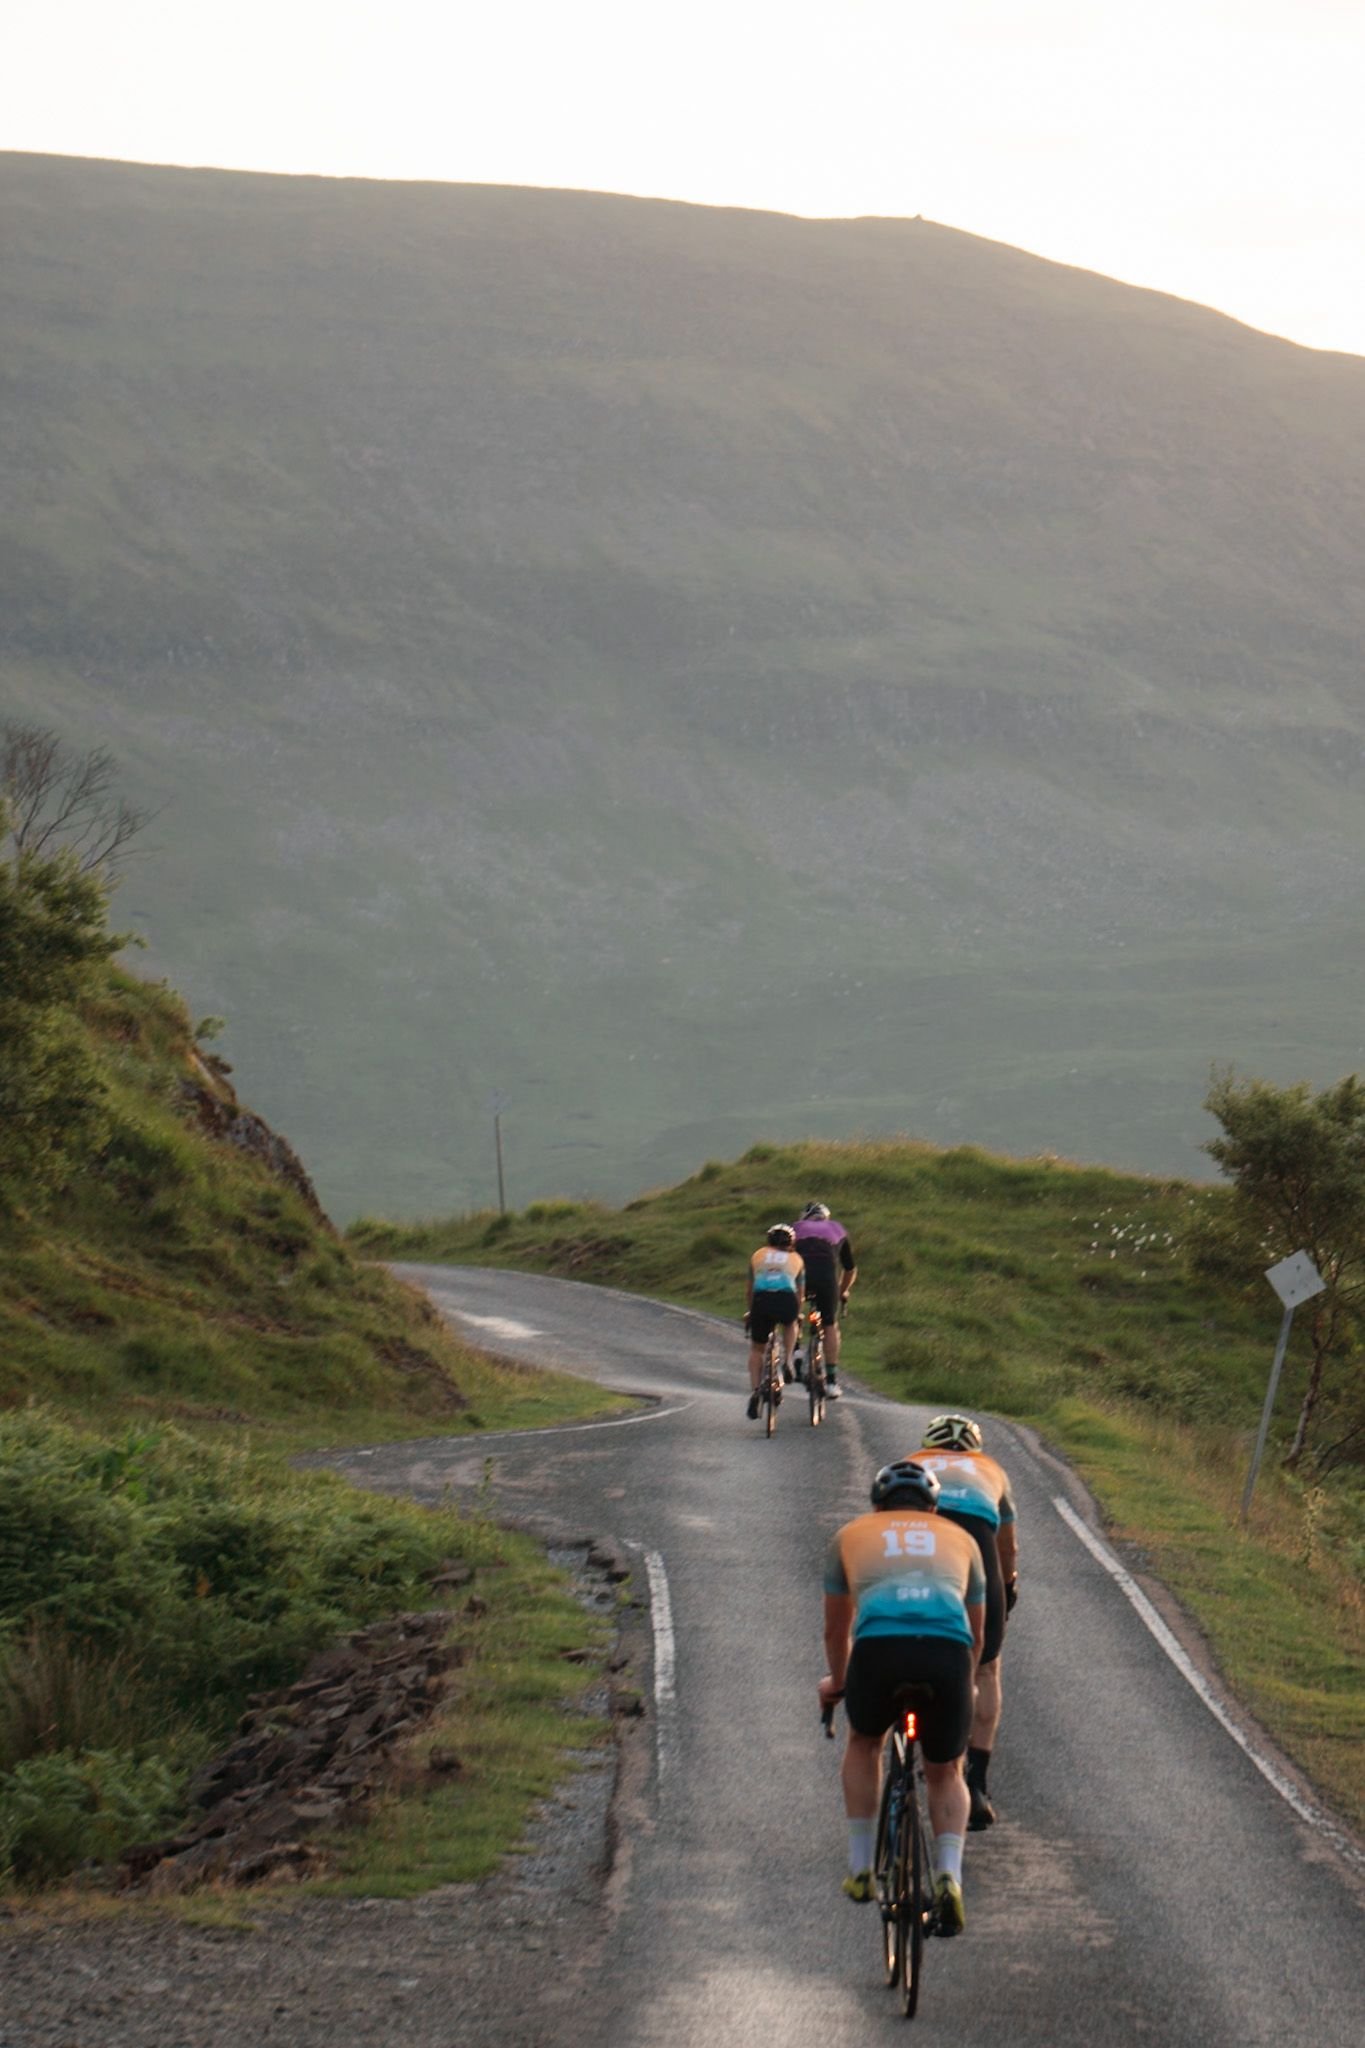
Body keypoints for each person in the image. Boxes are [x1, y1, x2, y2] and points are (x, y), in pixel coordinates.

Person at [818, 1459, 985, 1935]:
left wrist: (839, 1682)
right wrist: (966, 1683)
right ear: (934, 1508)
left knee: (865, 1742)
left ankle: (861, 1868)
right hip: (947, 1655)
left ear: (877, 1505)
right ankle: (949, 1875)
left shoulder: (850, 1535)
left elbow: (835, 1630)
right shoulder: (963, 1540)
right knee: (945, 1770)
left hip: (879, 1651)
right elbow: (976, 1634)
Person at [911, 1414, 1018, 1829]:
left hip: (922, 1543)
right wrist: (1006, 1591)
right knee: (987, 1666)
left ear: (929, 1443)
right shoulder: (992, 1470)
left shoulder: (912, 1461)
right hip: (978, 1547)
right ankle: (975, 1780)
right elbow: (1008, 1549)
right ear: (974, 1448)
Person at [792, 1201, 857, 1399]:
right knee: (829, 1325)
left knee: (792, 1314)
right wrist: (842, 1291)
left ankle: (795, 1351)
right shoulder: (837, 1229)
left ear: (806, 1216)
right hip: (827, 1278)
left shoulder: (795, 1228)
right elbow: (849, 1268)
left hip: (800, 1276)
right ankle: (831, 1382)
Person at [743, 1223, 804, 1419]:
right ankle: (788, 1361)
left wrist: (751, 1311)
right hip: (786, 1299)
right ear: (791, 1243)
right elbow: (800, 1293)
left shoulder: (757, 1255)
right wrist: (798, 1312)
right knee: (790, 1323)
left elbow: (750, 1289)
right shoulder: (796, 1259)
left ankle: (755, 1392)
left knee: (757, 1349)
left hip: (762, 1300)